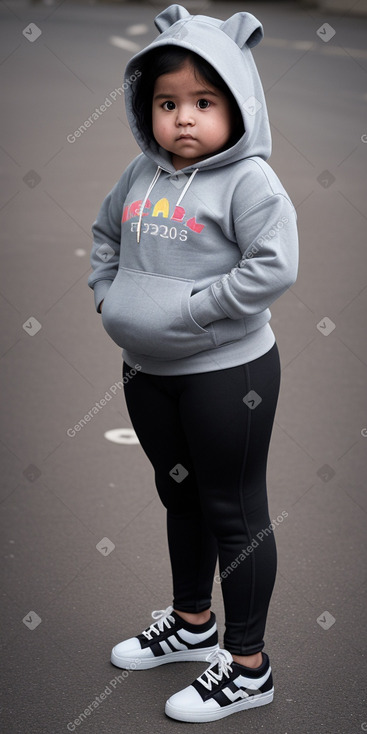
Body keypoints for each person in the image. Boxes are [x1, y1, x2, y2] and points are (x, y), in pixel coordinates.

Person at [88, 4, 298, 724]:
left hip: (226, 374)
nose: (182, 119)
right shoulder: (138, 175)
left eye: (203, 103)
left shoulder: (249, 183)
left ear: (237, 105)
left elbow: (274, 268)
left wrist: (194, 313)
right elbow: (104, 234)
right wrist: (108, 298)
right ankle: (190, 623)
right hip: (146, 370)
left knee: (232, 512)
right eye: (167, 102)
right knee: (180, 496)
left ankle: (247, 666)